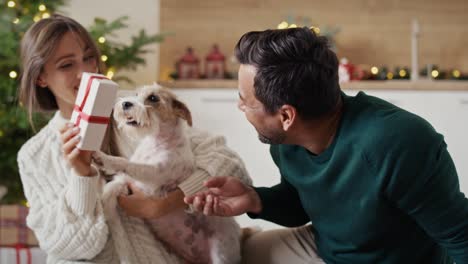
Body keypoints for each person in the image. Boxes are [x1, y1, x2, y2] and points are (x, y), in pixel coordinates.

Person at [184, 27, 468, 264]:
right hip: (325, 248)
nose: (239, 106)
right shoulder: (288, 141)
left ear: (286, 115)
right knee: (238, 256)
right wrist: (255, 199)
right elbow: (304, 204)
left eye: (246, 100)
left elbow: (461, 236)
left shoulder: (398, 143)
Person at [17, 14, 250, 263]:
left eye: (88, 58)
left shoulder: (139, 109)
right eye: (66, 65)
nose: (85, 72)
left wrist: (165, 204)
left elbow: (231, 167)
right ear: (40, 77)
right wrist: (81, 176)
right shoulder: (35, 155)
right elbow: (73, 248)